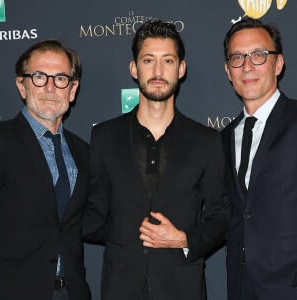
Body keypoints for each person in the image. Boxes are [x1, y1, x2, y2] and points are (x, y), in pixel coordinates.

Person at [84, 20, 229, 300]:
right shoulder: (104, 136)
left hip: (182, 288)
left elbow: (221, 216)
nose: (159, 71)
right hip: (120, 288)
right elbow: (94, 214)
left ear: (181, 68)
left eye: (168, 60)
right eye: (148, 60)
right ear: (134, 69)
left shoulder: (207, 141)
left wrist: (185, 239)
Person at [0, 39, 91, 300]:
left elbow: (90, 221)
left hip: (71, 292)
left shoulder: (83, 152)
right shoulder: (1, 141)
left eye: (60, 78)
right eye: (39, 76)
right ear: (21, 85)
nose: (50, 87)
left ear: (72, 90)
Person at [222, 17, 297, 300]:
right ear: (228, 71)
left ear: (278, 64)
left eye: (258, 55)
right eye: (237, 58)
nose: (248, 66)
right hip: (241, 287)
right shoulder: (224, 138)